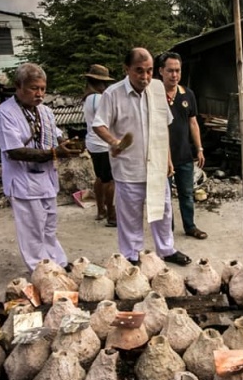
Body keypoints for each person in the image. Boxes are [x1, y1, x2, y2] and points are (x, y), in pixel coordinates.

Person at [93, 47, 191, 266]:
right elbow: (99, 124)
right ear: (126, 69)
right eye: (139, 71)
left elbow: (164, 126)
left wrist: (167, 160)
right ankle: (132, 255)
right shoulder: (113, 94)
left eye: (149, 71)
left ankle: (166, 249)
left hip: (156, 165)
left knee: (163, 210)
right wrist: (114, 142)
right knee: (130, 215)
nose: (145, 77)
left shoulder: (157, 89)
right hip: (129, 167)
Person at [0, 62, 82, 272]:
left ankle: (57, 262)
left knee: (49, 226)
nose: (40, 93)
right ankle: (40, 270)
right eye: (34, 88)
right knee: (32, 230)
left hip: (47, 178)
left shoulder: (46, 111)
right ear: (18, 85)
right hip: (24, 181)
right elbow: (14, 151)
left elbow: (56, 135)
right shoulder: (5, 113)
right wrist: (54, 153)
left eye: (43, 88)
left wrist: (67, 144)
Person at [159, 52, 207, 240]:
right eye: (170, 70)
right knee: (165, 198)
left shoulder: (187, 94)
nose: (174, 75)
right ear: (161, 71)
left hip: (184, 154)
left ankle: (190, 226)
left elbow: (193, 123)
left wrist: (199, 148)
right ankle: (167, 231)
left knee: (187, 194)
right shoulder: (154, 95)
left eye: (177, 70)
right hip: (162, 156)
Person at [82, 64, 117, 227]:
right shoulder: (99, 98)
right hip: (102, 144)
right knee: (110, 181)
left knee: (100, 177)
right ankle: (112, 215)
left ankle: (100, 210)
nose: (106, 86)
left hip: (92, 143)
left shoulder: (88, 98)